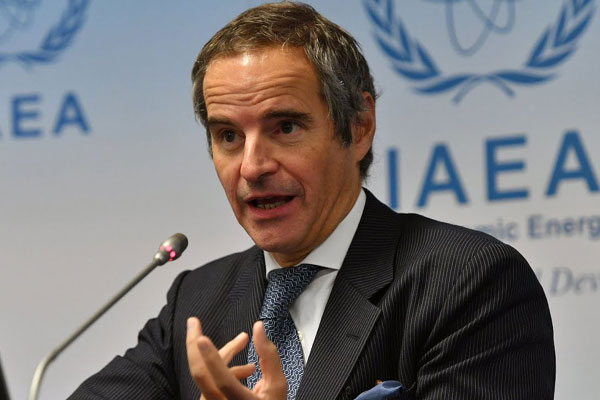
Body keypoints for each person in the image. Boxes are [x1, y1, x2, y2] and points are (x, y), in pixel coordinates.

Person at [69, 2, 555, 399]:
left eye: (285, 127)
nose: (252, 166)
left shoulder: (468, 282)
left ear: (359, 127)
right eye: (228, 136)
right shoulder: (197, 299)